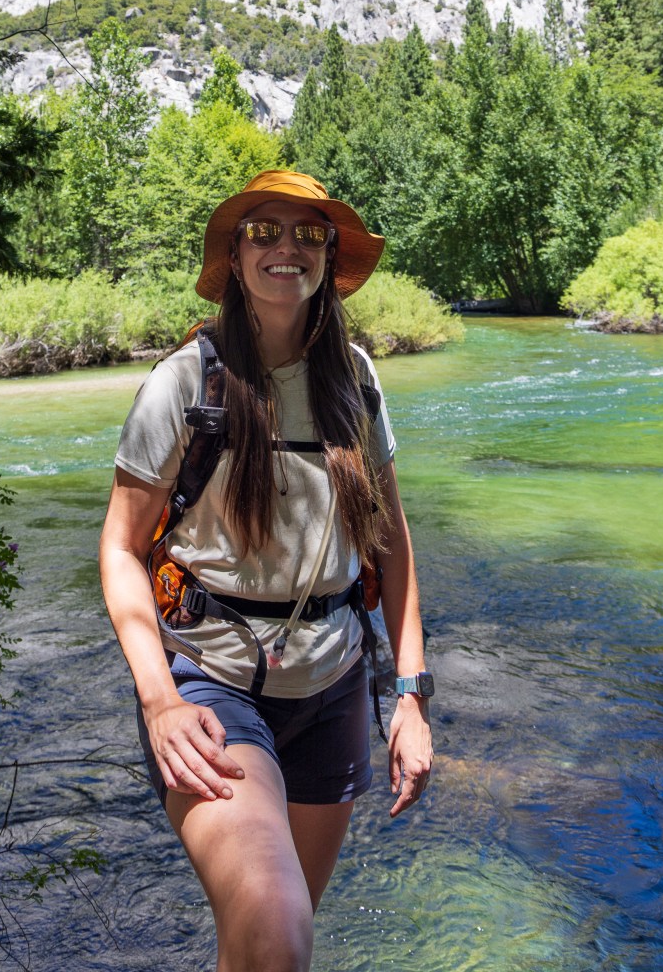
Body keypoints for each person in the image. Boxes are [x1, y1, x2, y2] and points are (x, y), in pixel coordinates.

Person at [99, 170, 433, 972]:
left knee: (259, 945)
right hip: (212, 689)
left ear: (327, 256)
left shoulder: (354, 378)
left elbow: (389, 543)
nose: (287, 248)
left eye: (308, 234)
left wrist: (412, 695)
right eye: (264, 232)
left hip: (334, 690)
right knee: (277, 924)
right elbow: (118, 549)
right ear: (236, 257)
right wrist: (159, 702)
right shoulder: (186, 383)